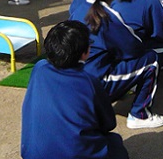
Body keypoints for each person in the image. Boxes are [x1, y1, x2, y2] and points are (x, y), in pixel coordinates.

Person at [21, 20, 130, 159]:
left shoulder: (39, 68)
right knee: (115, 144)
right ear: (84, 53)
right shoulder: (89, 82)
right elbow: (108, 123)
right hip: (75, 154)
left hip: (32, 154)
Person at [82, 0, 163, 130]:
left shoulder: (79, 8)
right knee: (151, 60)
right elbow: (133, 48)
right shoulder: (107, 17)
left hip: (77, 80)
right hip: (97, 82)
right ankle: (140, 114)